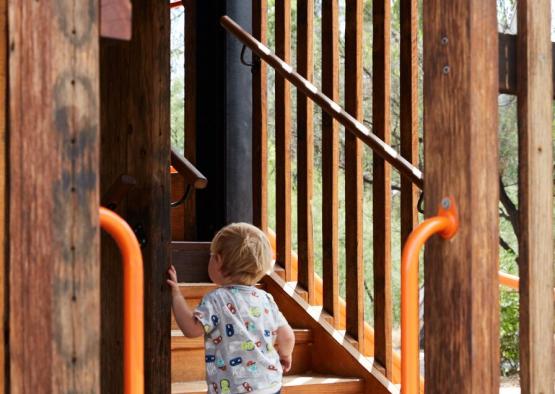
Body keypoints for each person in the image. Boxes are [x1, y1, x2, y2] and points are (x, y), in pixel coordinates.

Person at [167, 222, 295, 394]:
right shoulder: (266, 299)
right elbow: (287, 336)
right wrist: (285, 355)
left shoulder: (216, 299)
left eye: (211, 256)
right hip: (270, 386)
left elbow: (191, 329)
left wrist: (175, 294)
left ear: (218, 261)